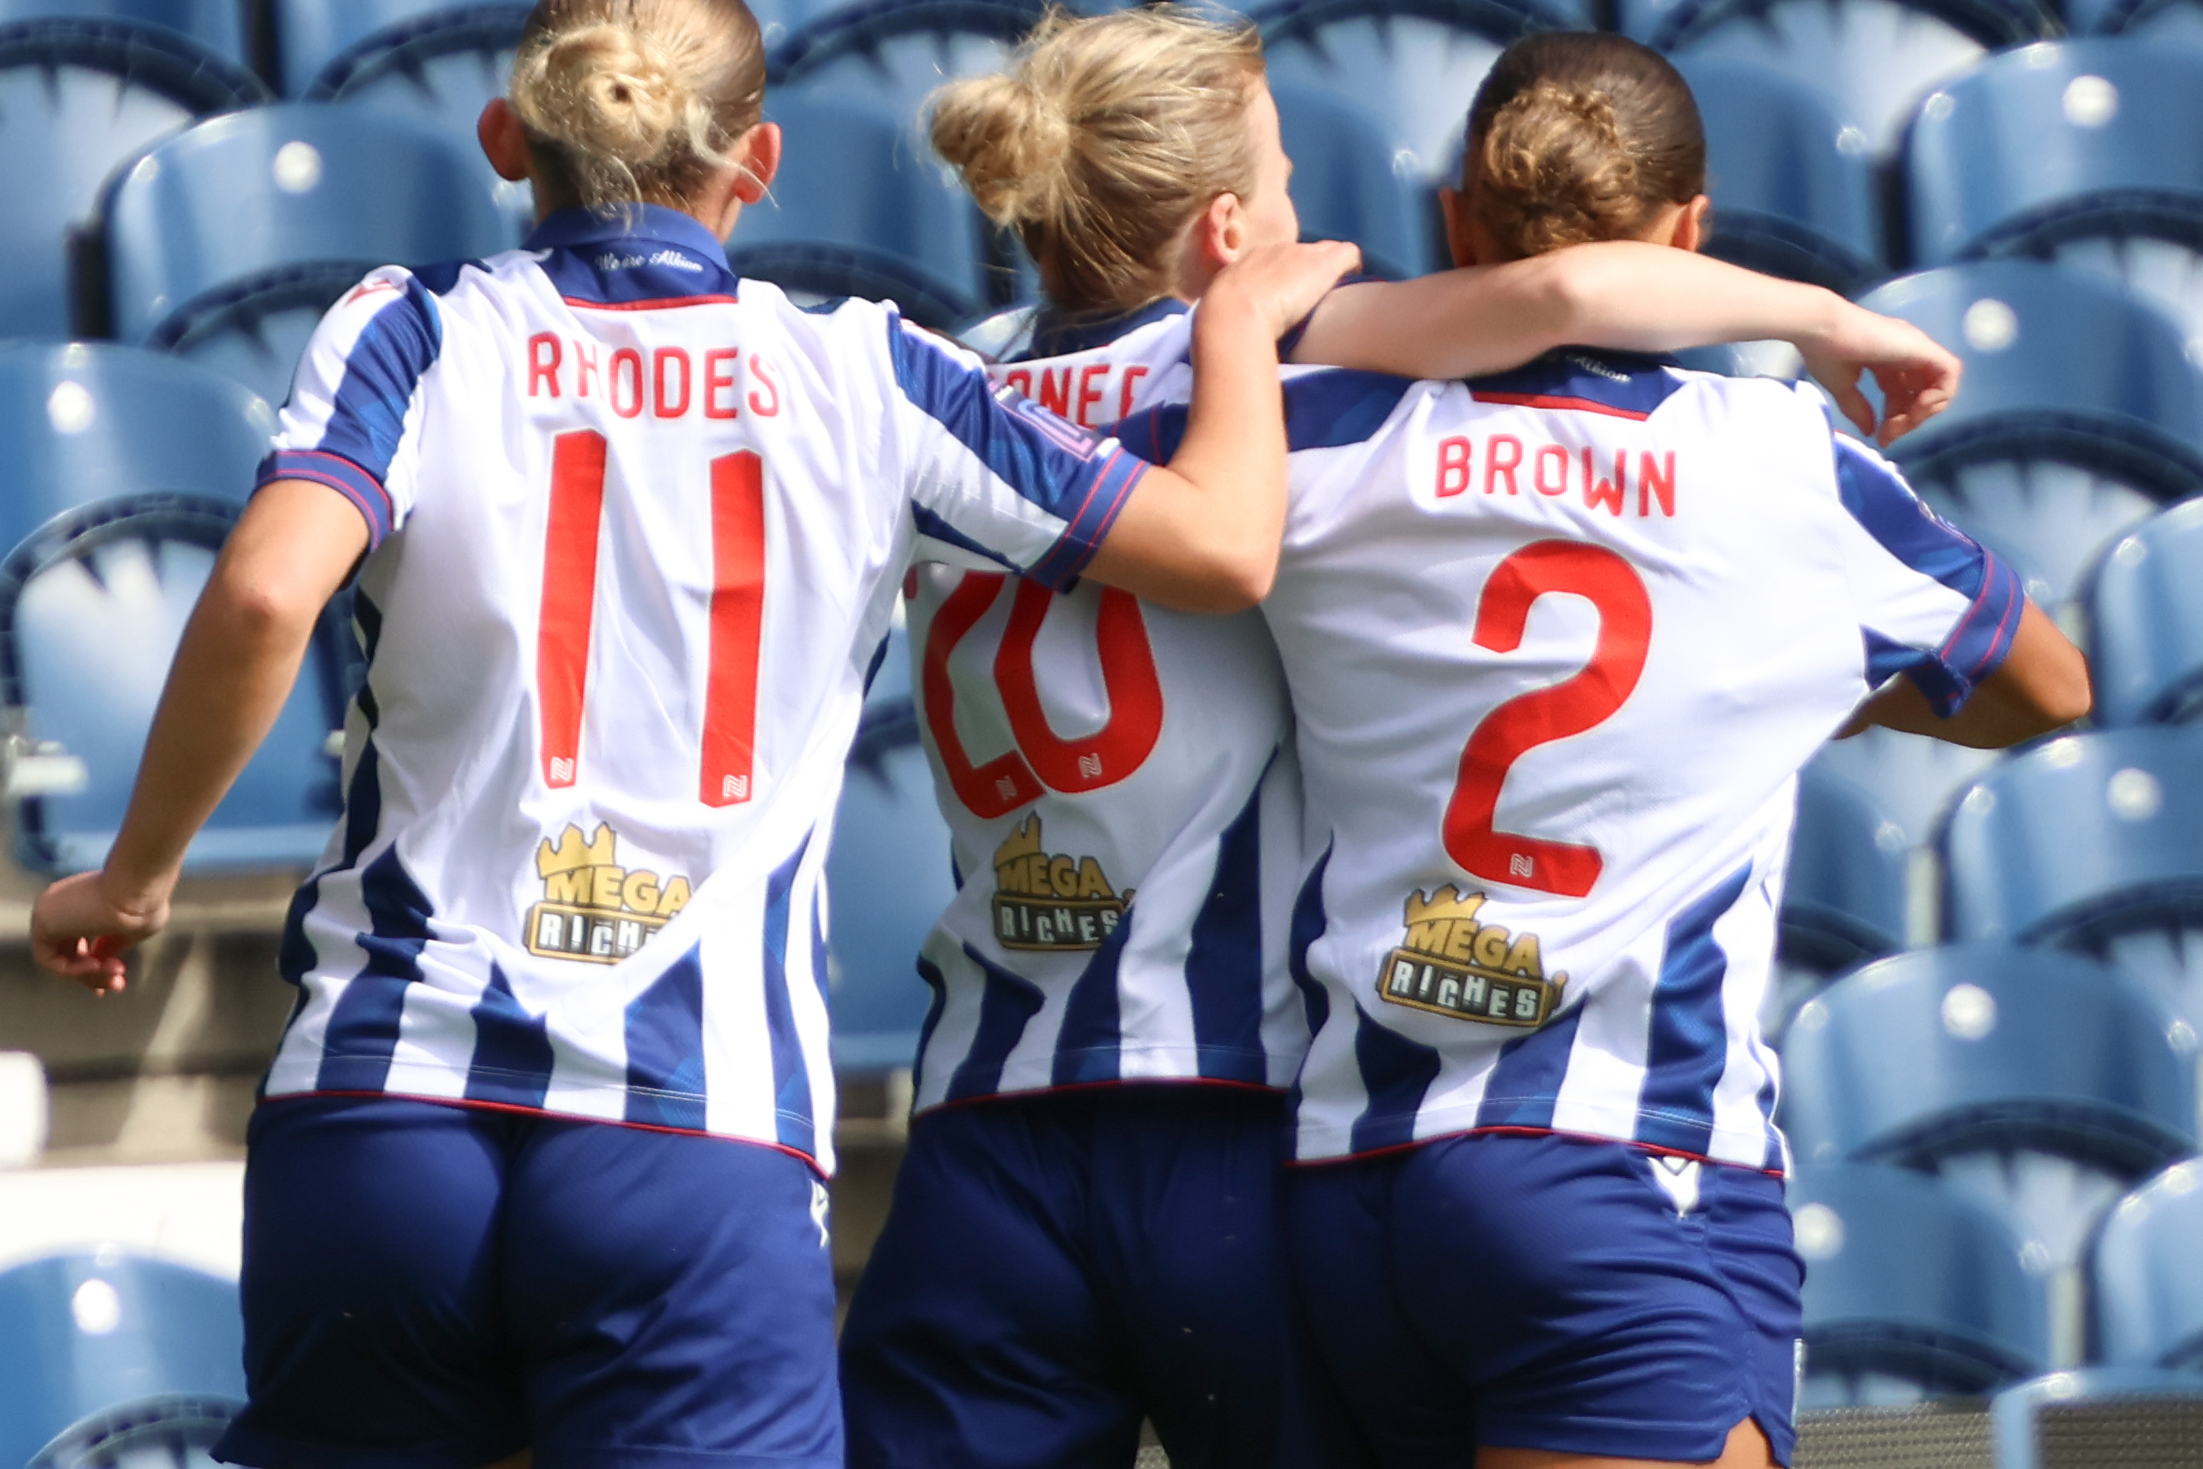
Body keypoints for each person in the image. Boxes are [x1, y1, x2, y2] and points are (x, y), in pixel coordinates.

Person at [25, 1, 1363, 1465]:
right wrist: (1233, 319)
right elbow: (1222, 546)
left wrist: (137, 876)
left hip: (384, 1100)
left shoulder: (408, 325)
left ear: (504, 140)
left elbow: (269, 589)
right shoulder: (870, 369)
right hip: (693, 1127)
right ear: (761, 159)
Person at [840, 11, 1970, 1469]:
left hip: (988, 1110)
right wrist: (1823, 315)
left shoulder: (943, 381)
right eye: (1292, 180)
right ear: (1232, 225)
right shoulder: (1272, 385)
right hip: (1222, 1113)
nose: (1314, 215)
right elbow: (1559, 288)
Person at [1111, 31, 2089, 1469]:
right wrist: (1778, 679)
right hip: (1619, 1172)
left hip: (1350, 1175)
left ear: (1455, 225)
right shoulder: (1785, 464)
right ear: (1693, 233)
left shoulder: (1307, 434)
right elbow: (2048, 689)